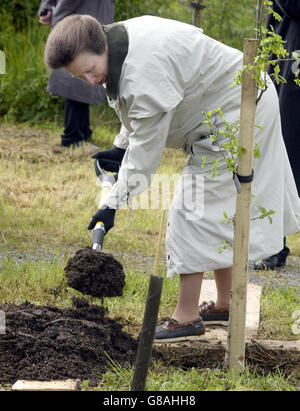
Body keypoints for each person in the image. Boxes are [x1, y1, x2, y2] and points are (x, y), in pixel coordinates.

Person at [44, 15, 300, 342]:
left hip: (239, 114)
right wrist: (121, 147)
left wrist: (111, 204)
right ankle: (224, 304)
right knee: (218, 213)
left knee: (188, 212)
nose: (91, 81)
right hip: (237, 103)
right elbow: (137, 110)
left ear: (101, 46)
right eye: (81, 77)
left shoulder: (141, 70)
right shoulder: (118, 40)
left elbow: (146, 153)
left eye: (91, 70)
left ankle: (186, 317)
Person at [254, 0, 300, 270]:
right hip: (289, 56)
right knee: (283, 150)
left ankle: (274, 243)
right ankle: (274, 242)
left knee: (287, 150)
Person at [38, 0, 115, 147]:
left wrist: (48, 8)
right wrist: (57, 18)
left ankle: (83, 132)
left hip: (90, 18)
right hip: (79, 26)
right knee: (78, 82)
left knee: (86, 84)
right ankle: (73, 137)